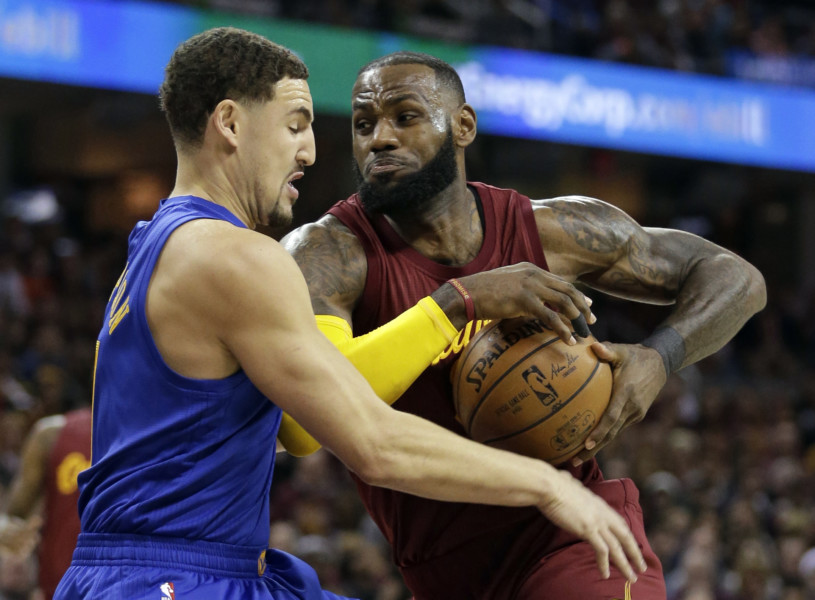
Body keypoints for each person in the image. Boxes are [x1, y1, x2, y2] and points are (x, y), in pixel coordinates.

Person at [53, 28, 647, 600]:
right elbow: (373, 442)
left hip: (151, 568)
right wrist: (547, 485)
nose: (309, 152)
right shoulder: (235, 258)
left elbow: (294, 434)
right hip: (178, 576)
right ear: (230, 124)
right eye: (295, 125)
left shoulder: (154, 244)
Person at [279, 51, 767, 599]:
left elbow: (737, 278)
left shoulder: (550, 229)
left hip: (572, 537)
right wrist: (458, 302)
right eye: (364, 125)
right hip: (439, 570)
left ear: (462, 126)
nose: (380, 139)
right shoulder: (327, 254)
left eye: (406, 117)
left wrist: (660, 356)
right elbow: (303, 420)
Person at [0, 406, 91, 599]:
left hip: (123, 584)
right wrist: (10, 533)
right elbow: (14, 515)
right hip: (59, 586)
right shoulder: (52, 433)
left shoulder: (151, 436)